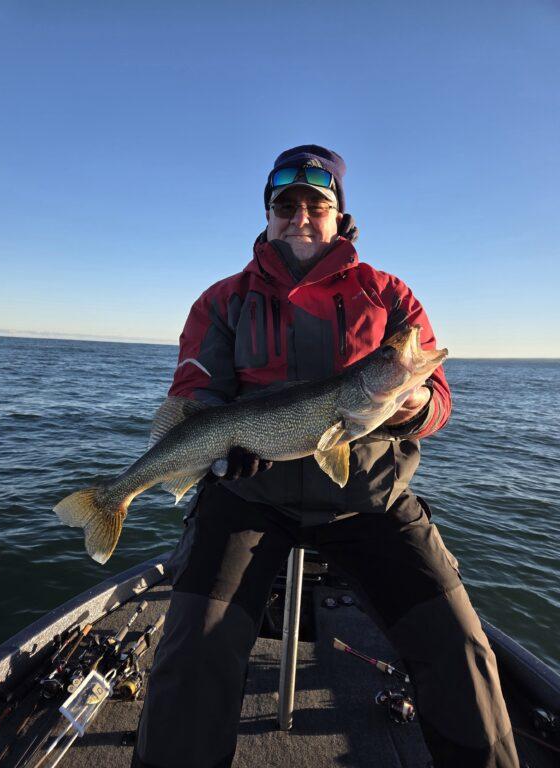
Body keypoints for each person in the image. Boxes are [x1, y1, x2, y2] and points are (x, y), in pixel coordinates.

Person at [131, 146, 519, 768]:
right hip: (249, 497)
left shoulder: (390, 294)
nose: (301, 217)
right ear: (267, 214)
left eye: (318, 204)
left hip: (369, 499)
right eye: (285, 206)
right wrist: (222, 447)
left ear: (341, 214)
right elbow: (194, 388)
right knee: (191, 653)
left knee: (460, 645)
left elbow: (440, 401)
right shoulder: (223, 299)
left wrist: (415, 400)